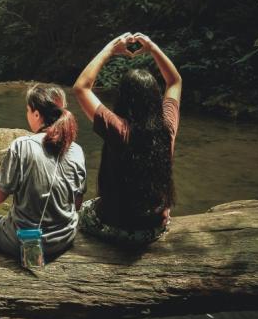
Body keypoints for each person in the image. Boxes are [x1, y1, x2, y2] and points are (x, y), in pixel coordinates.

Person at [72, 32, 182, 246]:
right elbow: (175, 81)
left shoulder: (118, 128)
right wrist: (152, 47)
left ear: (122, 98)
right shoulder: (167, 128)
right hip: (153, 228)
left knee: (85, 209)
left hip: (116, 226)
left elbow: (81, 87)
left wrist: (111, 49)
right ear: (155, 98)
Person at [0, 84, 86, 261]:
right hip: (65, 238)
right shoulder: (76, 150)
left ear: (36, 114)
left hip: (25, 242)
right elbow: (76, 204)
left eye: (28, 110)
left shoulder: (22, 146)